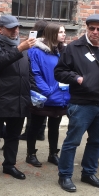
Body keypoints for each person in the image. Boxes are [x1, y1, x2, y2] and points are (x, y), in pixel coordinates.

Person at [54, 14, 99, 192]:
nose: (95, 32)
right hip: (81, 102)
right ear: (87, 28)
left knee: (97, 141)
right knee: (72, 141)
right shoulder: (73, 48)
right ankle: (65, 175)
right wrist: (77, 78)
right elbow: (59, 72)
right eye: (92, 28)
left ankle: (89, 173)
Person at [0, 15, 37, 183]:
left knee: (13, 136)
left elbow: (28, 73)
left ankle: (9, 165)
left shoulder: (23, 49)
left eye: (17, 27)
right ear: (1, 29)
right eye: (11, 28)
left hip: (19, 100)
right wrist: (19, 49)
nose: (15, 31)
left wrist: (33, 92)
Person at [25, 23, 70, 167]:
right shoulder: (36, 51)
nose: (64, 34)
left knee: (55, 126)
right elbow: (35, 73)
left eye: (64, 31)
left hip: (60, 96)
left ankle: (53, 154)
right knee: (35, 126)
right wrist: (47, 91)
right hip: (43, 96)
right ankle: (31, 154)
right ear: (52, 34)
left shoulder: (64, 51)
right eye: (61, 32)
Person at [19, 20, 50, 142]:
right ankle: (40, 132)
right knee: (42, 107)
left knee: (34, 107)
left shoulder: (34, 45)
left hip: (35, 79)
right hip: (46, 79)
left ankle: (30, 132)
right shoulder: (49, 45)